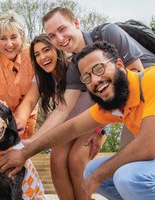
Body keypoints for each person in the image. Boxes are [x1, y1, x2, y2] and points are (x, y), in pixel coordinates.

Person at [0, 41, 155, 200]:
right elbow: (70, 128)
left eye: (98, 69)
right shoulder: (115, 104)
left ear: (118, 64)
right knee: (90, 170)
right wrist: (25, 152)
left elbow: (149, 146)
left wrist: (98, 176)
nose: (95, 80)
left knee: (127, 176)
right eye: (86, 78)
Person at [13, 34, 104, 200]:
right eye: (37, 54)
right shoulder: (42, 78)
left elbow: (103, 97)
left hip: (95, 122)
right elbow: (29, 101)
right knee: (56, 160)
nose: (42, 57)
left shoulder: (75, 68)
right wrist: (20, 121)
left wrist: (100, 130)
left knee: (76, 160)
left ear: (57, 49)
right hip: (69, 126)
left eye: (47, 50)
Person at [0, 11, 36, 139]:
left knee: (23, 151)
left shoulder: (32, 54)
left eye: (14, 37)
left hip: (27, 112)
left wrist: (21, 118)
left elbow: (35, 89)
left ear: (21, 37)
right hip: (0, 117)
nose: (9, 44)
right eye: (3, 38)